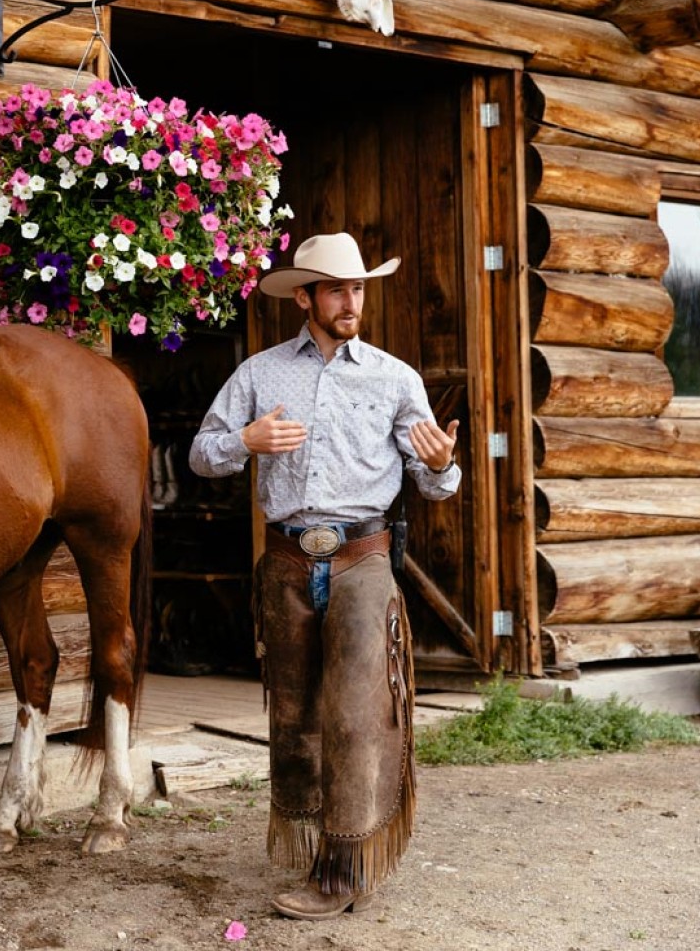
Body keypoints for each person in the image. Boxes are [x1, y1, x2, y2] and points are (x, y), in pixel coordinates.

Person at [187, 232, 461, 921]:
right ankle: (310, 843)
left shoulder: (396, 378)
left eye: (358, 288)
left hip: (363, 561)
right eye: (337, 289)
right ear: (304, 296)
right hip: (283, 564)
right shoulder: (259, 373)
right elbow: (199, 454)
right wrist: (244, 443)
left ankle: (345, 868)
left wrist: (438, 463)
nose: (351, 301)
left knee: (357, 714)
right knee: (296, 715)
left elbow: (439, 484)